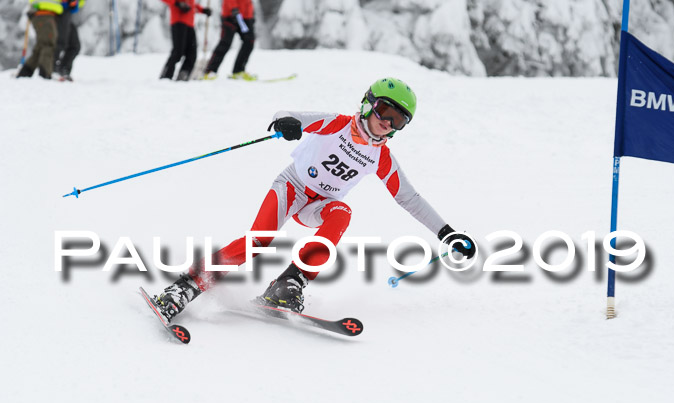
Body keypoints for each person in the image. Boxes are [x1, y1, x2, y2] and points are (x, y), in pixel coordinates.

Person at [151, 78, 476, 320]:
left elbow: (410, 198)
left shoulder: (382, 158)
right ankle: (185, 286)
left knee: (342, 212)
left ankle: (288, 284)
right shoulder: (337, 125)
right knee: (259, 240)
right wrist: (287, 122)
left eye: (398, 120)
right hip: (292, 187)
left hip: (319, 205)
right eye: (385, 110)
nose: (387, 123)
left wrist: (447, 233)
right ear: (368, 103)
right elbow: (291, 115)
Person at [202, 0, 255, 80]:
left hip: (246, 16)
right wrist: (233, 7)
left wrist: (251, 14)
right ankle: (210, 71)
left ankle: (238, 71)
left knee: (249, 41)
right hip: (231, 14)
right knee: (225, 43)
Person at [160, 0, 212, 81]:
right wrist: (177, 3)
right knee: (178, 52)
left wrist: (202, 10)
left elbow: (191, 4)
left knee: (192, 54)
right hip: (178, 22)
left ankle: (183, 76)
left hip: (190, 24)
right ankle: (165, 77)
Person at [16, 0, 64, 79]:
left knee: (41, 45)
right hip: (44, 13)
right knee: (48, 44)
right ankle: (45, 73)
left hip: (43, 13)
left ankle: (25, 72)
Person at [53, 0, 84, 81]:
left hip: (68, 12)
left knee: (75, 46)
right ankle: (53, 69)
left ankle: (63, 70)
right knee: (60, 42)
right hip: (57, 11)